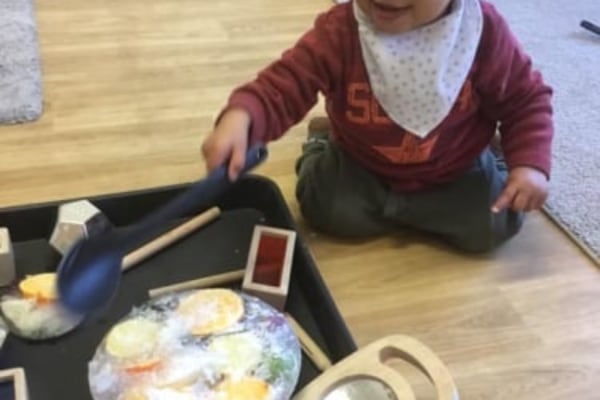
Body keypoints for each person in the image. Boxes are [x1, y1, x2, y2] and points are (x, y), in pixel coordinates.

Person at [201, 0, 554, 253]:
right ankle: (321, 142)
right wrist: (243, 116)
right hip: (364, 165)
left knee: (495, 225)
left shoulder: (482, 32)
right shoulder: (340, 30)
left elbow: (525, 99)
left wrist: (529, 165)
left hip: (455, 169)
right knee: (324, 208)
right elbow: (287, 83)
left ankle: (495, 158)